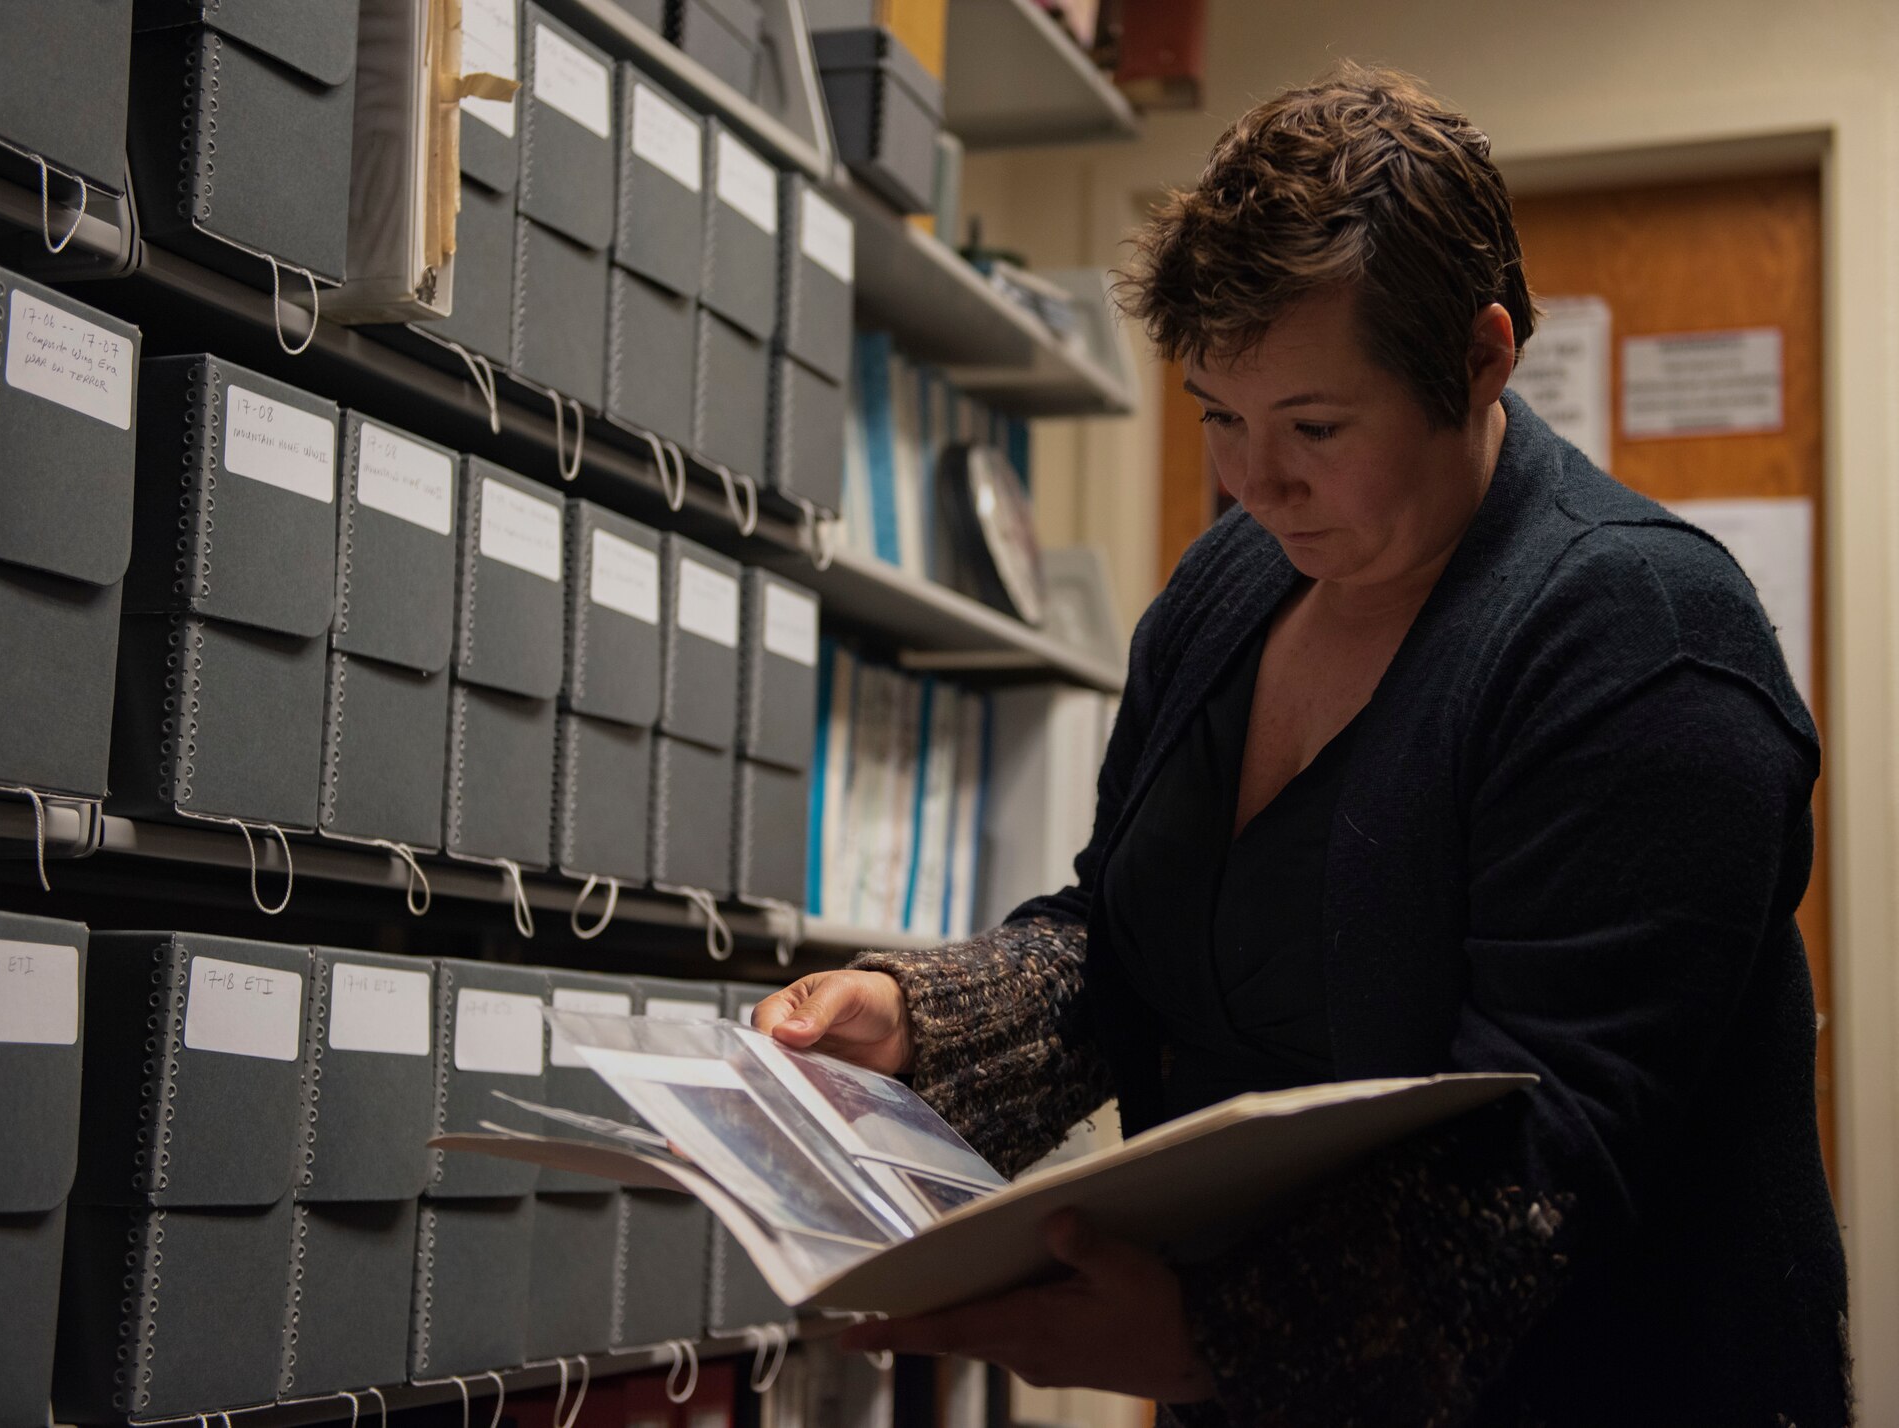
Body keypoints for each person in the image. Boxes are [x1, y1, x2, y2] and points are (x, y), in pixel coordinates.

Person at [755, 63, 1850, 1427]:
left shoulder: (1644, 640)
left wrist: (1202, 1332)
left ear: (1483, 356)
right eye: (1220, 416)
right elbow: (1121, 940)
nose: (1253, 483)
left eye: (1314, 428)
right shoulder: (1230, 588)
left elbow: (1538, 1164)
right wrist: (919, 1021)